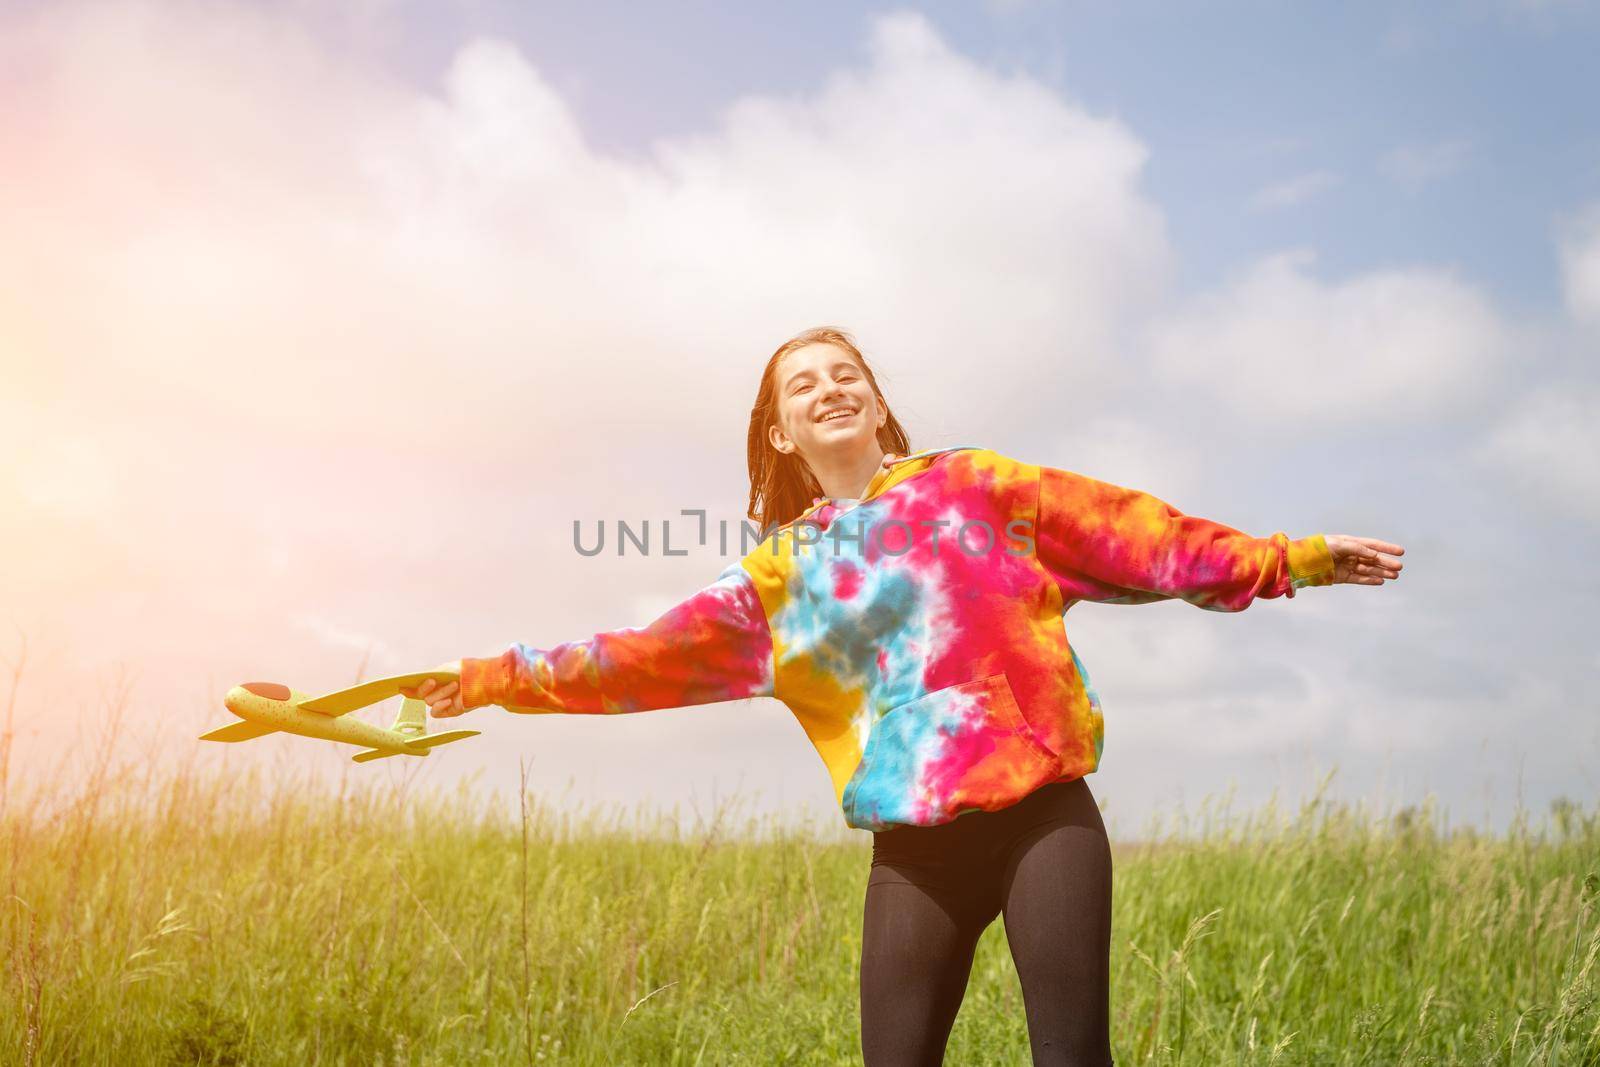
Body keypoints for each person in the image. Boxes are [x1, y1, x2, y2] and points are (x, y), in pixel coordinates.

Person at [401, 326, 1405, 1066]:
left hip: (1041, 820)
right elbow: (638, 656)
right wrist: (491, 677)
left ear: (877, 403)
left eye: (847, 374)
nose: (829, 389)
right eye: (803, 385)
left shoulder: (978, 488)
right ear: (782, 433)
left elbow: (1137, 535)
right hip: (914, 854)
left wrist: (1291, 557)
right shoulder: (782, 580)